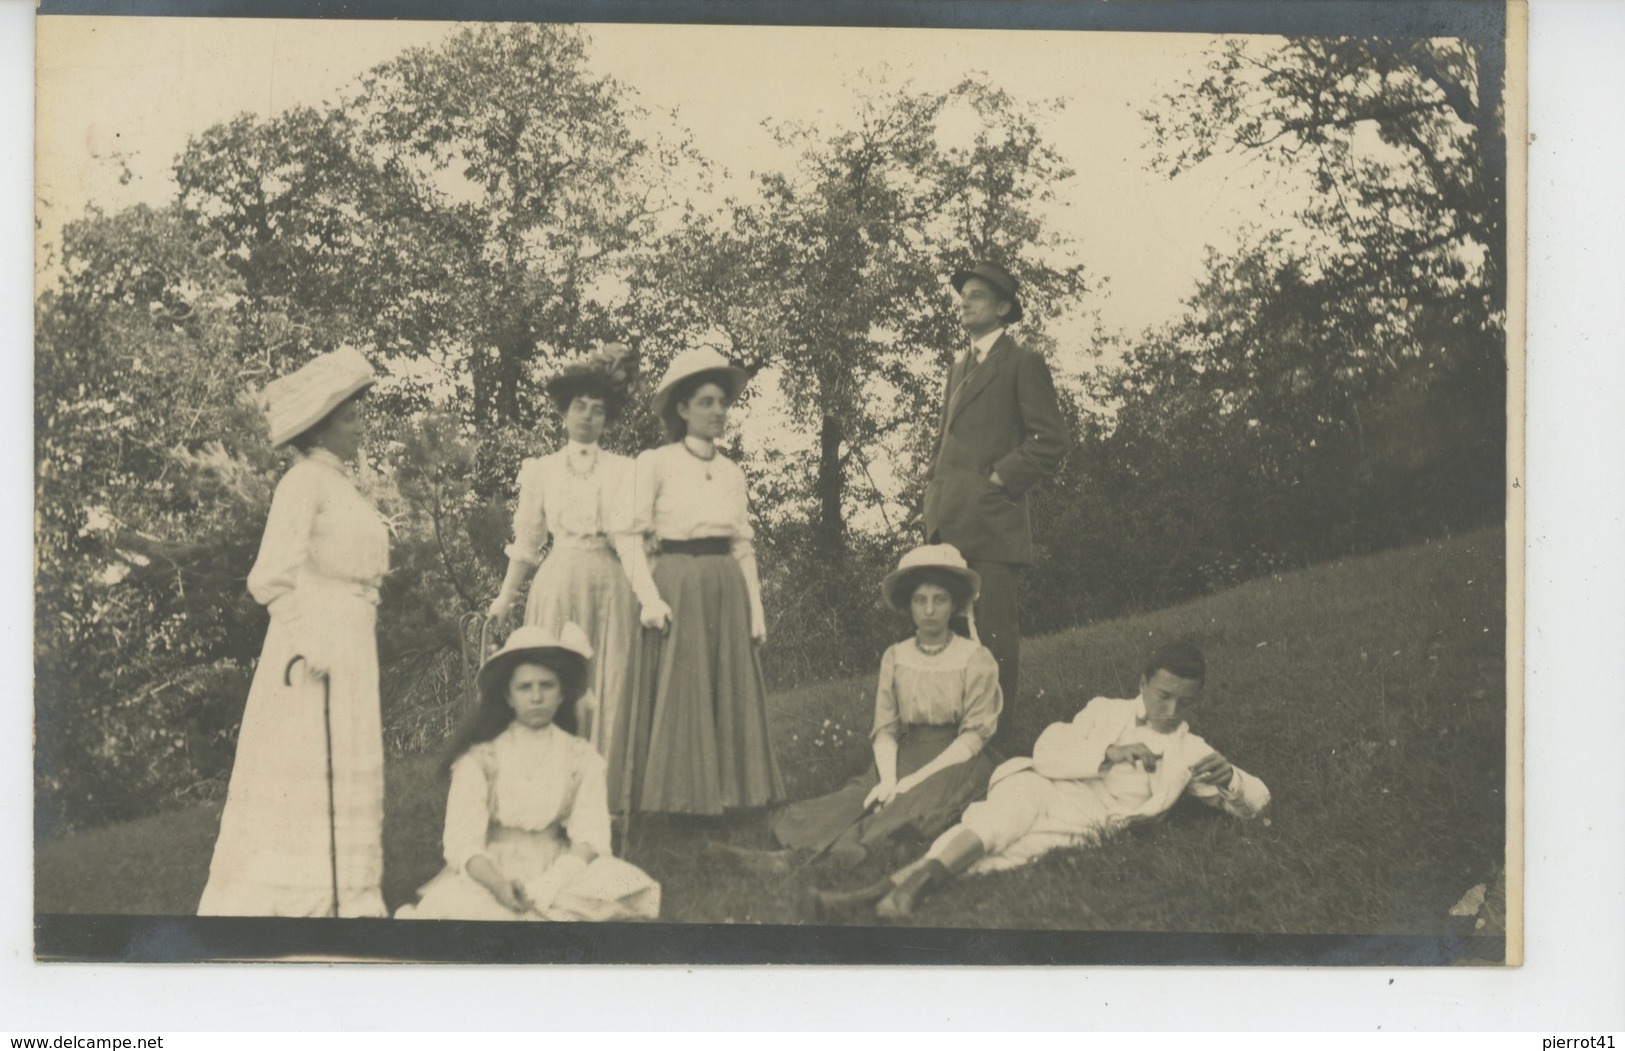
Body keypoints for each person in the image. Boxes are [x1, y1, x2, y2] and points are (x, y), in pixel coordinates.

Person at [812, 641, 1270, 921]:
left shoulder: (1191, 751)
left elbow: (1257, 800)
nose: (1171, 712)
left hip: (1092, 817)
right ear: (1143, 683)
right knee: (1002, 819)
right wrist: (1107, 754)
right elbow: (1048, 749)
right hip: (1045, 785)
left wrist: (1232, 779)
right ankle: (906, 892)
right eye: (1163, 696)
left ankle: (874, 894)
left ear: (1196, 702)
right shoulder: (1105, 709)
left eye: (1184, 703)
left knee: (1009, 851)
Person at [199, 347, 391, 917]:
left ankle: (349, 893)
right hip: (313, 647)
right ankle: (296, 899)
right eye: (352, 418)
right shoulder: (304, 482)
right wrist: (312, 644)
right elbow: (271, 577)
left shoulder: (341, 486)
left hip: (351, 640)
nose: (361, 427)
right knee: (305, 767)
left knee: (347, 763)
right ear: (323, 427)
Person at [718, 544, 1002, 871]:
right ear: (909, 606)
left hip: (956, 763)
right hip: (905, 756)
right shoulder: (896, 657)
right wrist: (889, 779)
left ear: (953, 605)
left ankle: (809, 860)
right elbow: (885, 730)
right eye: (920, 600)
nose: (929, 610)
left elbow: (973, 738)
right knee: (859, 798)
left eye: (939, 600)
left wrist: (911, 783)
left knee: (907, 806)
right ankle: (799, 850)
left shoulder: (975, 659)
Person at [609, 347, 786, 817]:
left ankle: (728, 796)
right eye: (706, 403)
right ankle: (676, 802)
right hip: (675, 582)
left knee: (724, 687)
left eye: (722, 403)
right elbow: (627, 535)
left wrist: (756, 611)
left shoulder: (733, 472)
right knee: (680, 689)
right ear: (682, 409)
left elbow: (742, 546)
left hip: (725, 586)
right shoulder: (656, 462)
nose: (717, 412)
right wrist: (649, 599)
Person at [395, 624, 661, 922]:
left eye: (547, 685)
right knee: (467, 912)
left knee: (618, 891)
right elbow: (462, 842)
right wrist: (500, 886)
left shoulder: (580, 757)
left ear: (562, 694)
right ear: (508, 696)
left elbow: (591, 835)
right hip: (494, 871)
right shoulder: (483, 758)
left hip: (562, 869)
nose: (536, 696)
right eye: (525, 687)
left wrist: (549, 883)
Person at [486, 343, 665, 768]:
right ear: (564, 413)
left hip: (610, 583)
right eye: (580, 407)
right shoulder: (540, 470)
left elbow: (630, 541)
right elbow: (528, 544)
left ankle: (605, 789)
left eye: (597, 409)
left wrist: (649, 595)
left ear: (607, 418)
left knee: (610, 679)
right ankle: (552, 784)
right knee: (554, 680)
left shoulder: (625, 470)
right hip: (559, 581)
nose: (587, 416)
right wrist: (505, 597)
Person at [922, 260, 1069, 753]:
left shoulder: (1022, 362)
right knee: (947, 639)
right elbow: (947, 442)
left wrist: (999, 479)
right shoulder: (958, 367)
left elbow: (1050, 441)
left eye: (978, 295)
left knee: (993, 641)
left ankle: (996, 750)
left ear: (1003, 308)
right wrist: (932, 490)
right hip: (947, 523)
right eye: (963, 294)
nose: (964, 301)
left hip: (992, 524)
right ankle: (954, 741)